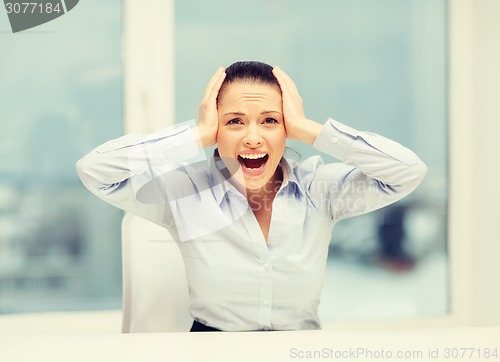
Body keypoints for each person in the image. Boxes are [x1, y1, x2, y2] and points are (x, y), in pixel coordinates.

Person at [76, 61, 427, 332]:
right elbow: (95, 171)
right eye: (234, 122)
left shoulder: (319, 188)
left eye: (270, 121)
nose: (253, 138)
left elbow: (407, 172)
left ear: (286, 128)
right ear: (216, 129)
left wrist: (310, 130)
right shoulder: (185, 193)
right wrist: (194, 135)